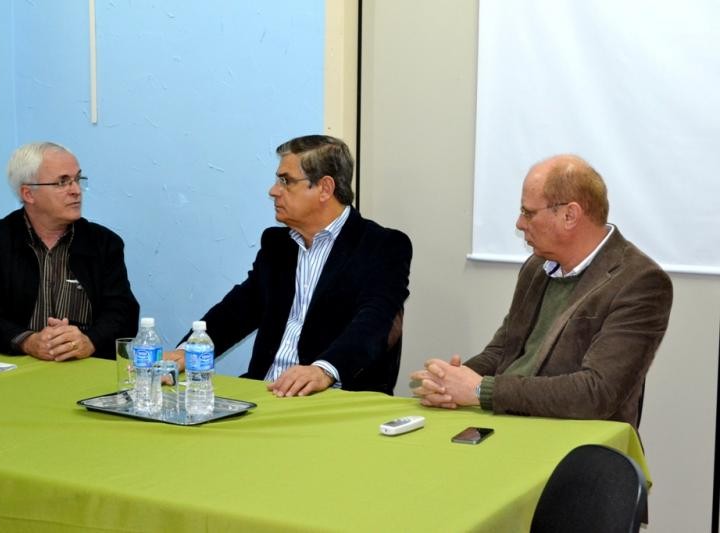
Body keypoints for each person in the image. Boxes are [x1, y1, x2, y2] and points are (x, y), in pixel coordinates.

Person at [411, 154, 672, 427]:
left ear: (569, 215)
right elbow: (503, 351)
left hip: (577, 439)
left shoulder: (640, 282)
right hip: (510, 422)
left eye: (528, 213)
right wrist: (450, 382)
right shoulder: (536, 267)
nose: (519, 223)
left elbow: (597, 393)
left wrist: (480, 390)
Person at [167, 135, 412, 397]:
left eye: (285, 181)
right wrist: (187, 352)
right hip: (267, 389)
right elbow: (237, 310)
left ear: (325, 188)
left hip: (336, 397)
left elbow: (374, 321)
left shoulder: (382, 246)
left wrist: (324, 370)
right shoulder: (277, 245)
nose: (273, 191)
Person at [0, 142, 139, 361]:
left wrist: (90, 341)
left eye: (78, 179)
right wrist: (28, 341)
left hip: (86, 364)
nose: (76, 190)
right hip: (17, 366)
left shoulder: (104, 243)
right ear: (28, 194)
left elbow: (123, 313)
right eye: (62, 182)